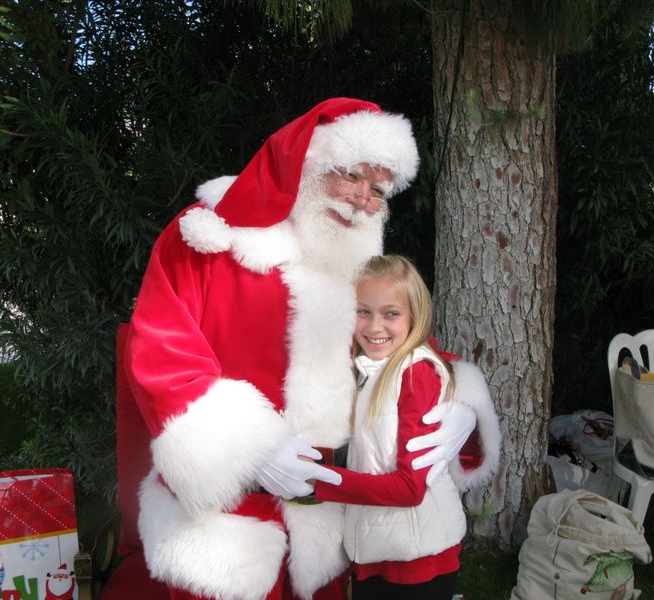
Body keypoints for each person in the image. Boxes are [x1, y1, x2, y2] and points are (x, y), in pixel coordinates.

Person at [124, 98, 501, 600]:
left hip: (327, 518)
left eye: (378, 189)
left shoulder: (360, 264)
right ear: (306, 164)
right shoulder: (208, 238)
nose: (363, 200)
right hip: (225, 520)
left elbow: (406, 341)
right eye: (351, 176)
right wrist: (251, 449)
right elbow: (161, 357)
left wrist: (460, 405)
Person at [315, 255, 481, 600]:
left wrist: (319, 483)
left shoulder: (413, 373)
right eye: (363, 311)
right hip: (378, 549)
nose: (375, 327)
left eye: (391, 313)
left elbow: (410, 489)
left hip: (417, 560)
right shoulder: (370, 367)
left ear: (414, 316)